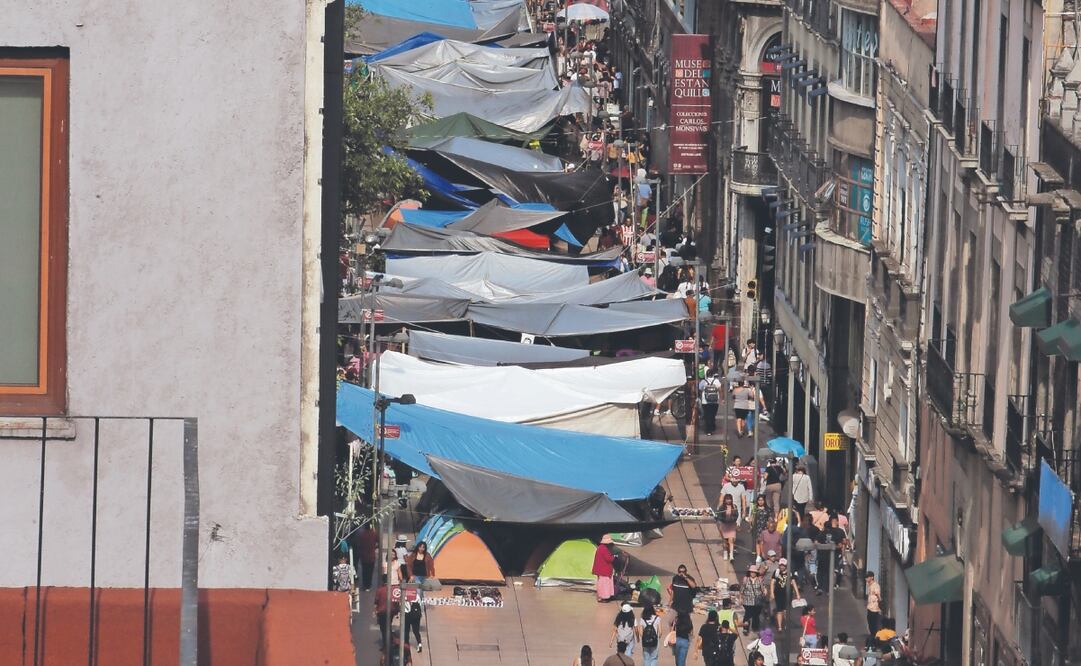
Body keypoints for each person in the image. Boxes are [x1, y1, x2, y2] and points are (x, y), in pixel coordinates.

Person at [771, 559, 800, 631]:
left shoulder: (790, 573)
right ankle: (780, 627)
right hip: (778, 594)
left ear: (786, 566)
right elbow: (772, 583)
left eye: (783, 565)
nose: (782, 566)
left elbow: (793, 583)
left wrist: (797, 594)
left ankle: (786, 625)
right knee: (779, 610)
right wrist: (772, 593)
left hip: (787, 595)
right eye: (780, 565)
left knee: (786, 611)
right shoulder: (776, 572)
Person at [352, 523, 379, 590]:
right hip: (371, 556)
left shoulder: (361, 534)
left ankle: (365, 584)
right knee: (370, 571)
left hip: (363, 555)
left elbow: (358, 543)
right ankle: (368, 585)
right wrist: (375, 547)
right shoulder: (373, 533)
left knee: (364, 571)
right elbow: (378, 541)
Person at [373, 574, 398, 644]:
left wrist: (375, 611)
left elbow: (376, 602)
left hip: (382, 611)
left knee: (383, 628)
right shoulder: (393, 589)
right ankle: (389, 640)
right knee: (388, 625)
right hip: (391, 610)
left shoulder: (380, 590)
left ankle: (386, 643)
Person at [740, 565, 765, 635]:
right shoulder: (746, 579)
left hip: (757, 601)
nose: (752, 573)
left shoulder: (759, 579)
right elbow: (742, 589)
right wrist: (740, 597)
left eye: (754, 572)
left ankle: (755, 628)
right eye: (751, 572)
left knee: (756, 615)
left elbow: (762, 589)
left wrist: (764, 592)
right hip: (747, 601)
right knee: (747, 615)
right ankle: (745, 628)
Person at [698, 369, 722, 435]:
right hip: (715, 401)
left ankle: (708, 430)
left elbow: (700, 390)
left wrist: (701, 396)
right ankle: (713, 426)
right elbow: (720, 390)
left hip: (705, 402)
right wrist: (721, 399)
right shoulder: (716, 381)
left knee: (707, 415)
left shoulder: (703, 381)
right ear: (713, 374)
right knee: (713, 414)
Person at [716, 494, 740, 561]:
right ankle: (725, 553)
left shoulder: (734, 506)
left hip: (731, 525)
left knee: (731, 540)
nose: (728, 500)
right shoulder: (722, 507)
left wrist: (732, 520)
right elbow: (719, 516)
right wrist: (724, 521)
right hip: (724, 525)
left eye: (729, 499)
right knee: (724, 541)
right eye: (727, 499)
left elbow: (736, 515)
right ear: (725, 500)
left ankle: (731, 555)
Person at [593, 535, 616, 601]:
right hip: (604, 570)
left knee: (604, 583)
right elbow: (609, 559)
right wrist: (614, 557)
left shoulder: (600, 548)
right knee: (605, 584)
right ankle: (604, 597)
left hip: (601, 570)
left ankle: (605, 596)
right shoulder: (604, 549)